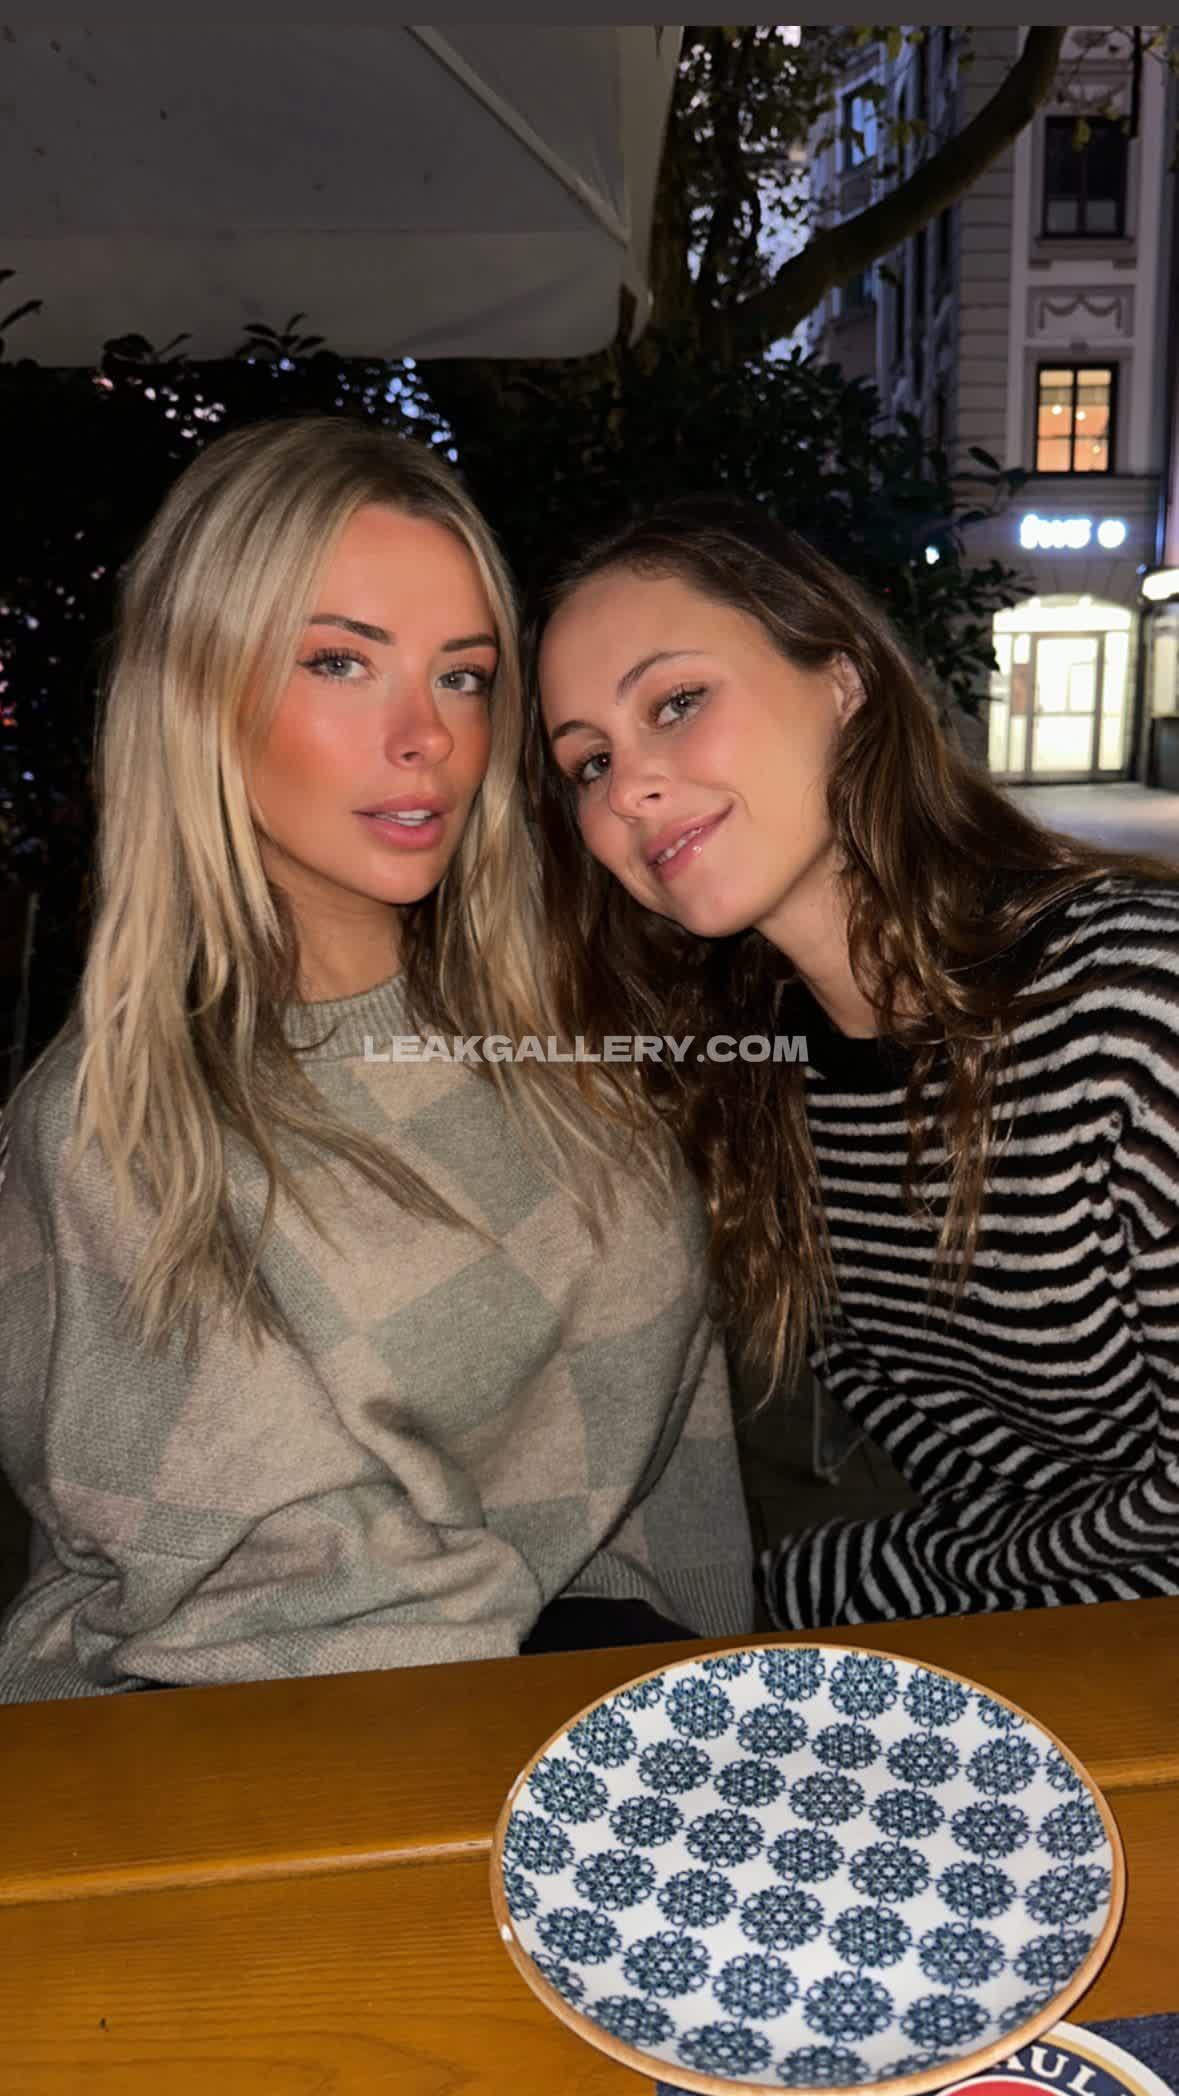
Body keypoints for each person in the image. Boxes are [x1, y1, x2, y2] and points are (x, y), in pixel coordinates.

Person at [0, 424, 753, 1703]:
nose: (427, 736)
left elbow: (681, 1450)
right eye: (340, 661)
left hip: (622, 1697)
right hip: (290, 1740)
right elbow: (288, 1607)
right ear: (197, 690)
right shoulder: (116, 1127)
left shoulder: (565, 1024)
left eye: (464, 676)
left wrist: (709, 1677)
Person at [527, 497, 1179, 1628]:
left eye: (676, 702)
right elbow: (971, 1480)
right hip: (1016, 1624)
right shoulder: (760, 1080)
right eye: (587, 762)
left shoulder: (1134, 1012)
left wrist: (825, 1591)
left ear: (844, 678)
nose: (626, 788)